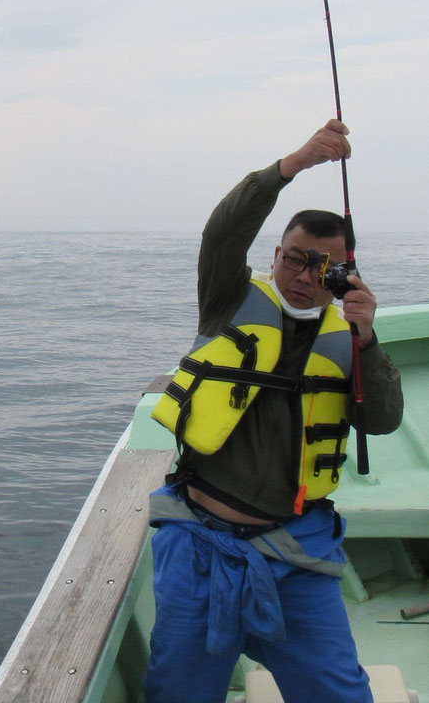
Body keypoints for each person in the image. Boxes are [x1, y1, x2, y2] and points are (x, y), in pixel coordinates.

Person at [144, 119, 403, 703]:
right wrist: (295, 163)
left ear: (343, 274)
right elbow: (222, 232)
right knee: (178, 693)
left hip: (298, 553)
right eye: (293, 259)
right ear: (277, 253)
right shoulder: (229, 298)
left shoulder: (350, 337)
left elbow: (382, 419)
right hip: (200, 547)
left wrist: (368, 343)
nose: (302, 276)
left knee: (340, 694)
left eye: (321, 268)